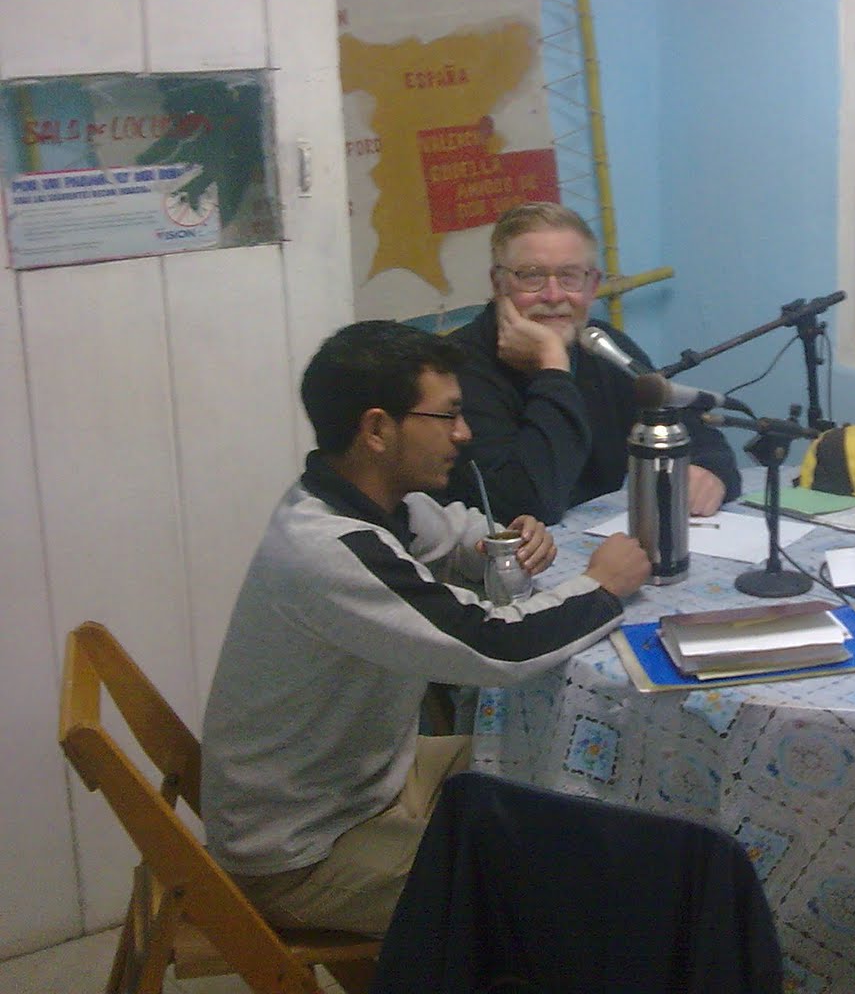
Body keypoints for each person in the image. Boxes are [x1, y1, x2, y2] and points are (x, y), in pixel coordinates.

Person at [201, 320, 651, 936]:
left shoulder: (379, 505)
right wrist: (601, 586)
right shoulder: (327, 548)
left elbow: (459, 534)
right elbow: (494, 644)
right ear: (377, 429)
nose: (464, 434)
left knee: (564, 759)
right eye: (448, 416)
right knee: (554, 894)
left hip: (371, 780)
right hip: (304, 850)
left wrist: (506, 542)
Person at [438, 202, 741, 524]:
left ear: (592, 285)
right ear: (498, 283)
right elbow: (527, 504)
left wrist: (710, 470)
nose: (554, 296)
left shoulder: (602, 346)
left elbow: (688, 426)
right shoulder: (455, 366)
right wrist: (553, 367)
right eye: (531, 276)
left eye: (569, 277)